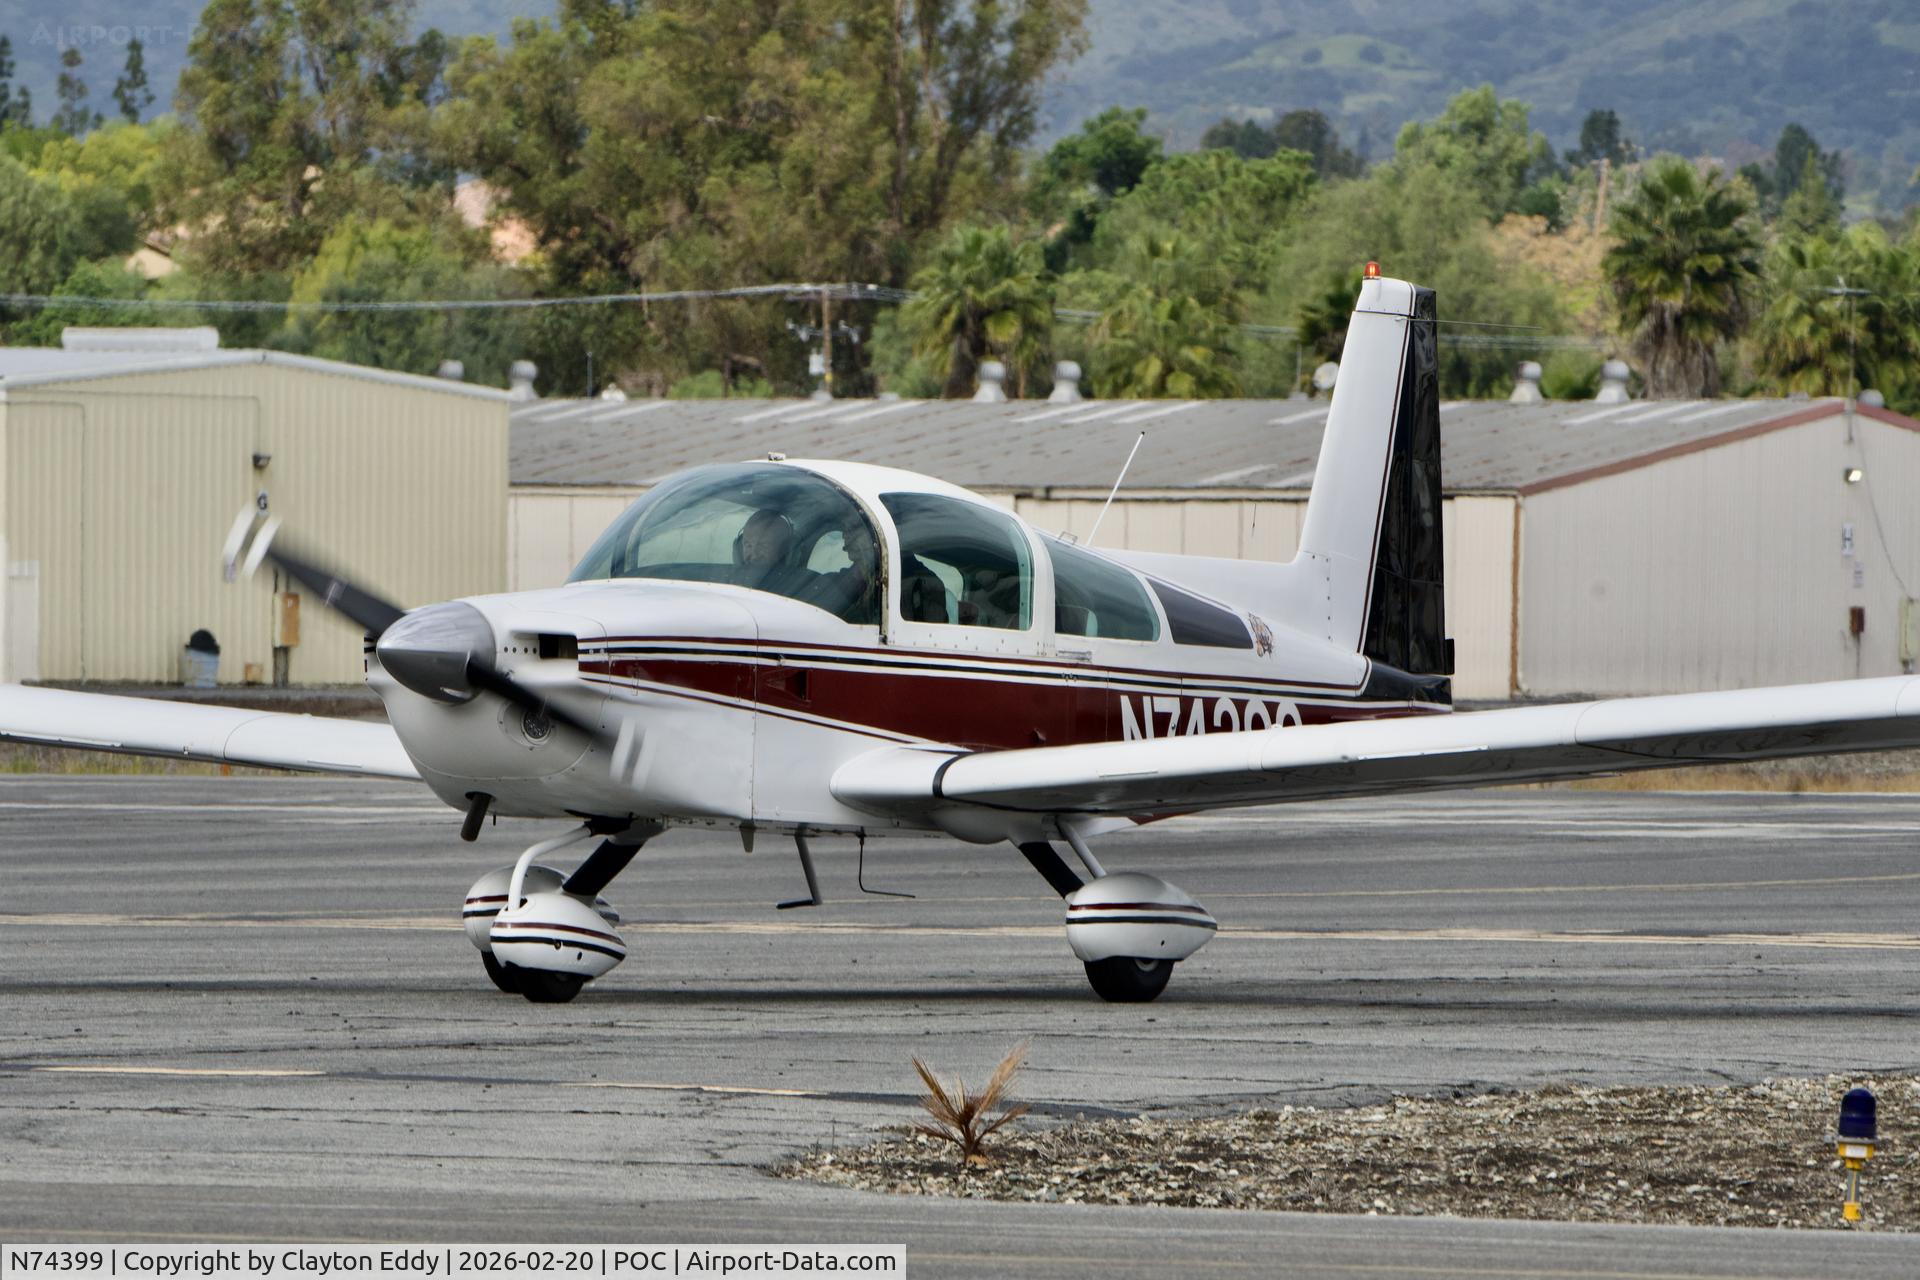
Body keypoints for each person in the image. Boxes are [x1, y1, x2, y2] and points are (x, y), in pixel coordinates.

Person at [733, 508, 796, 587]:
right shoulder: (725, 583)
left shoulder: (797, 589)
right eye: (748, 545)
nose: (755, 555)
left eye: (763, 546)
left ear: (785, 550)